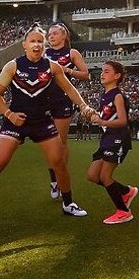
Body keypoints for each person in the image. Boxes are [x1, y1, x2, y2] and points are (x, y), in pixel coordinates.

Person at [0, 27, 94, 231]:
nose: (37, 44)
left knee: (59, 162)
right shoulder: (13, 66)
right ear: (24, 45)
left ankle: (68, 203)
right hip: (15, 122)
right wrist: (9, 115)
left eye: (40, 42)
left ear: (43, 47)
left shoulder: (53, 67)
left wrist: (84, 106)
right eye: (32, 41)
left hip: (43, 123)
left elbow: (70, 89)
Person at [86, 61, 138, 225]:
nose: (102, 74)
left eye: (107, 71)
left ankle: (124, 211)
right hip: (106, 139)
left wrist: (101, 122)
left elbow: (122, 121)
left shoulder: (117, 95)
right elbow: (108, 117)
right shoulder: (104, 95)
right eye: (102, 71)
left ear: (117, 76)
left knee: (105, 176)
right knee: (93, 176)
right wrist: (97, 117)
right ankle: (126, 192)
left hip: (118, 139)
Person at [45, 23, 90, 198]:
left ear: (64, 36)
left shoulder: (72, 53)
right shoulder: (44, 54)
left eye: (55, 33)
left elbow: (85, 74)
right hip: (44, 101)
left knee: (60, 142)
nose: (51, 36)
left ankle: (58, 178)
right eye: (49, 34)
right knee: (49, 142)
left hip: (63, 99)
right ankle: (53, 179)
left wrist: (66, 70)